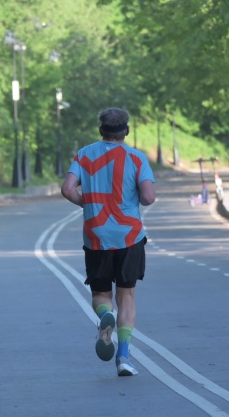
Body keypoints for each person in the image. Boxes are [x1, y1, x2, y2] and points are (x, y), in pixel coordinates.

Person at [61, 107, 156, 377]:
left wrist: (87, 205)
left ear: (101, 130)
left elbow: (67, 189)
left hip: (96, 235)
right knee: (126, 296)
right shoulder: (137, 158)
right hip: (129, 237)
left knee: (101, 295)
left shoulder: (84, 155)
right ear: (126, 131)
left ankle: (105, 314)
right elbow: (148, 197)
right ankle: (124, 356)